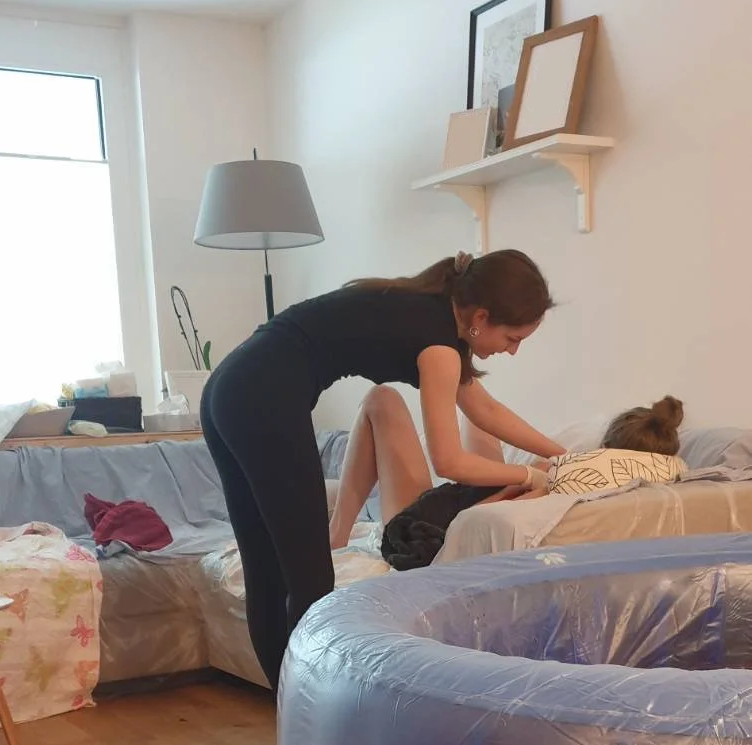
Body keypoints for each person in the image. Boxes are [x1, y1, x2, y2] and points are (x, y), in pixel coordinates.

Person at [201, 248, 564, 688]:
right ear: (481, 318)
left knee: (267, 572)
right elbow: (448, 460)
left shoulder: (433, 312)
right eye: (512, 338)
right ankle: (306, 707)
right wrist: (529, 475)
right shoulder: (439, 346)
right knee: (309, 580)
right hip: (261, 396)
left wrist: (562, 455)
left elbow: (485, 410)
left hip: (228, 388)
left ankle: (292, 710)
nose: (513, 351)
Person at [331, 391, 685, 571]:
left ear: (604, 447)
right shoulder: (631, 490)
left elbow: (475, 519)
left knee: (381, 399)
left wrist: (534, 475)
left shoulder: (568, 486)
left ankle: (336, 536)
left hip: (432, 530)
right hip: (469, 501)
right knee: (474, 411)